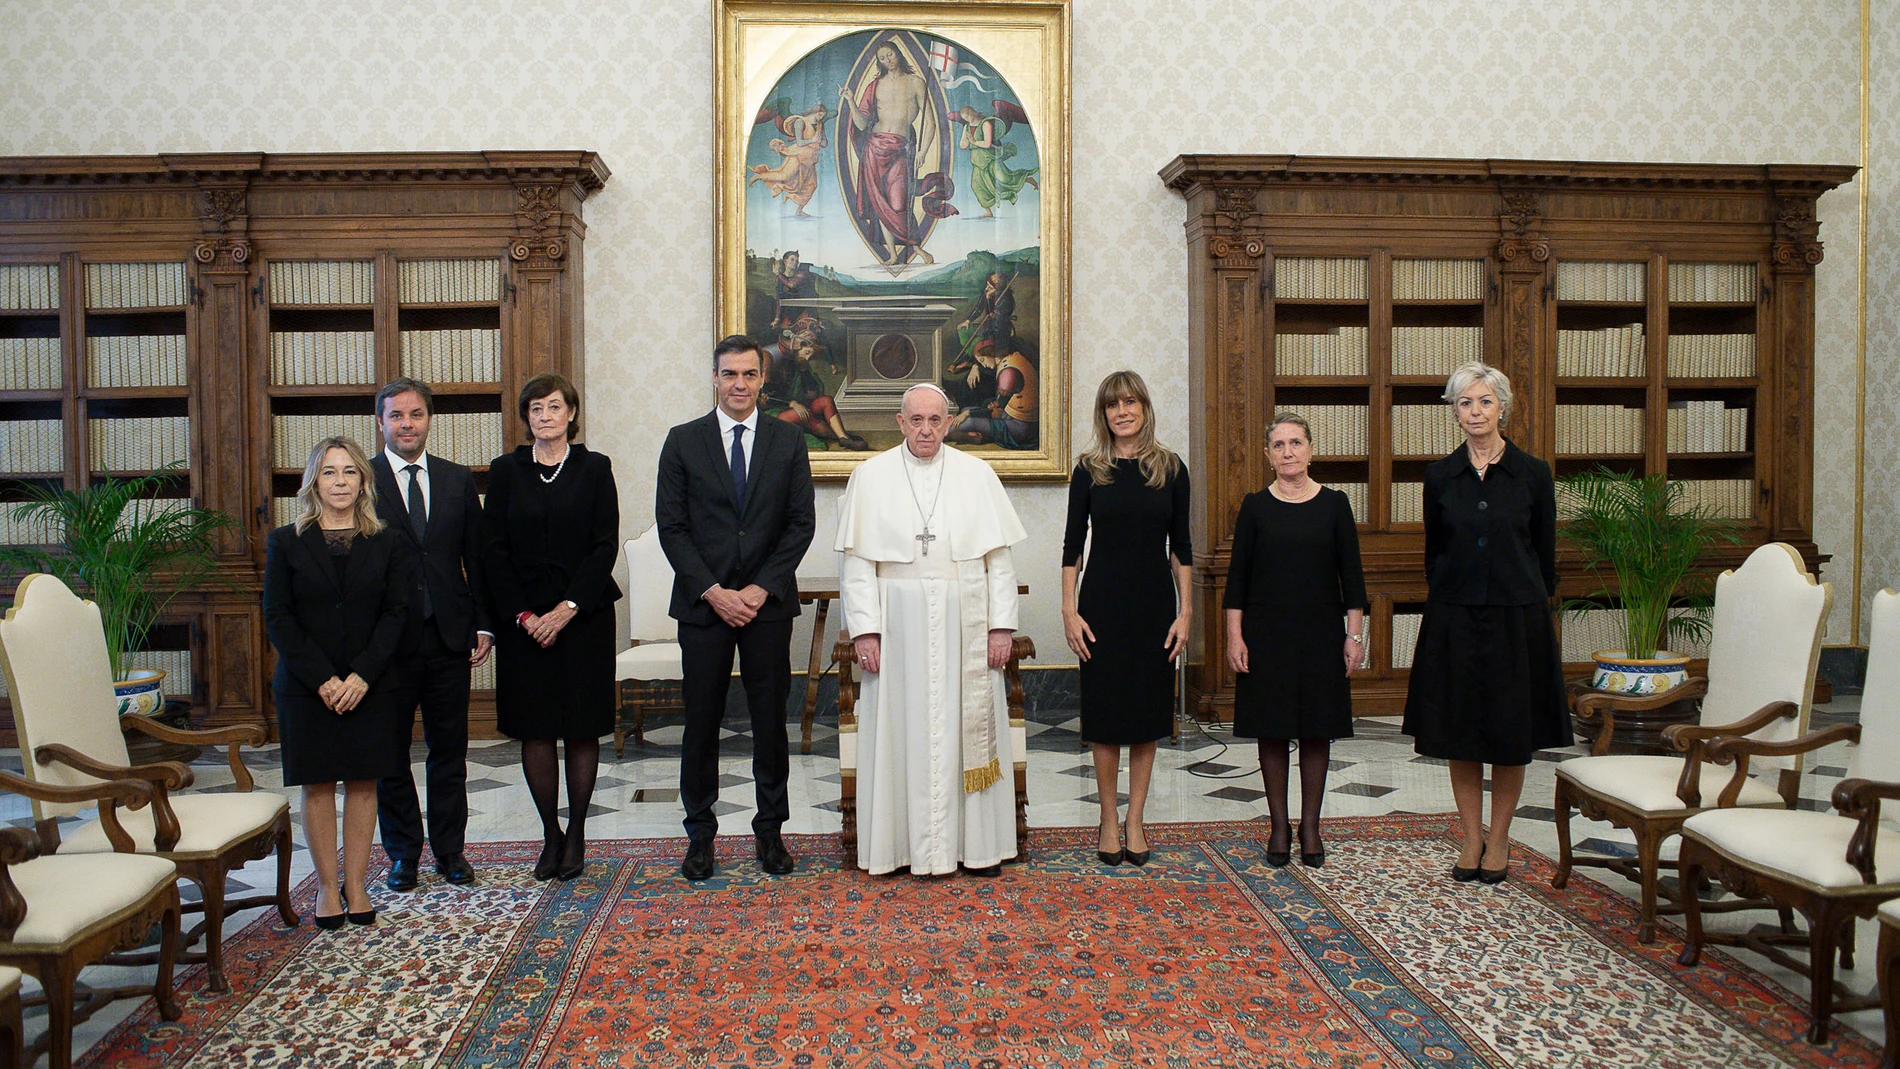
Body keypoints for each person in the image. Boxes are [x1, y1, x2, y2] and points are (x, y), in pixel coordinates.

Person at [835, 383, 1025, 877]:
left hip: (967, 621)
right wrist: (865, 631)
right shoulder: (869, 476)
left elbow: (999, 562)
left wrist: (1000, 627)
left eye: (935, 420)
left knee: (968, 729)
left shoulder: (977, 474)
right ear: (900, 422)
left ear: (948, 422)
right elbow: (857, 565)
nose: (926, 430)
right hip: (896, 628)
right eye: (915, 420)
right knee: (900, 731)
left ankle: (977, 848)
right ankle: (899, 848)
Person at [1402, 361, 1569, 885]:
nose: (1474, 412)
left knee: (1508, 733)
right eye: (1464, 403)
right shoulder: (1439, 476)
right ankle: (1470, 837)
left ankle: (1499, 840)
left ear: (1503, 408)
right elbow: (1435, 551)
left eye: (1484, 402)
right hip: (1454, 615)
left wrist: (1525, 596)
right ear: (1454, 413)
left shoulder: (1533, 473)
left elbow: (1544, 554)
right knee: (1459, 732)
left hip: (1517, 617)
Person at [657, 334, 817, 882]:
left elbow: (801, 525)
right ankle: (700, 835)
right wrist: (715, 591)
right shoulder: (683, 441)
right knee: (701, 722)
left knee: (770, 722)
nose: (740, 384)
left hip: (766, 608)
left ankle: (770, 832)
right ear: (715, 377)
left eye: (750, 374)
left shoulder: (787, 441)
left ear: (763, 380)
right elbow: (672, 529)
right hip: (704, 606)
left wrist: (759, 589)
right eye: (730, 374)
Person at [262, 436, 414, 929]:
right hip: (308, 688)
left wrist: (360, 676)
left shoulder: (387, 540)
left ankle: (356, 884)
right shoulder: (286, 540)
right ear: (313, 482)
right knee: (319, 785)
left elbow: (396, 614)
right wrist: (325, 678)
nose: (341, 481)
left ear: (363, 482)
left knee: (365, 784)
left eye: (350, 471)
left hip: (372, 684)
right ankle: (328, 888)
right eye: (329, 472)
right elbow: (278, 617)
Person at [484, 373, 622, 882]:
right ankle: (550, 834)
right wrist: (525, 616)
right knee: (535, 728)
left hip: (582, 617)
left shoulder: (594, 468)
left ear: (571, 414)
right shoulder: (505, 471)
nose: (545, 416)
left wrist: (566, 609)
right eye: (535, 408)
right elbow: (492, 551)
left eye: (554, 407)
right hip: (524, 623)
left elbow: (604, 545)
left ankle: (579, 831)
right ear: (526, 418)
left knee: (582, 726)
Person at [1223, 412, 1368, 869]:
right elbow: (1236, 581)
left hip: (1322, 634)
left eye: (1296, 443)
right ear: (1268, 456)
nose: (1288, 452)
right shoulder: (1254, 507)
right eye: (1279, 445)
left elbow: (1354, 579)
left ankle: (1311, 826)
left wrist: (1354, 635)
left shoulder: (1335, 504)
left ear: (1310, 449)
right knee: (1272, 727)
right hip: (1266, 635)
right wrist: (1234, 636)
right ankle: (1278, 825)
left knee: (1315, 728)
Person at [1060, 371, 1191, 868]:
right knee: (1107, 717)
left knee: (1145, 718)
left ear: (1144, 407)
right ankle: (1108, 820)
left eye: (1131, 401)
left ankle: (1135, 819)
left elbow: (1182, 547)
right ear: (1104, 414)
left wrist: (1186, 612)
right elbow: (1073, 547)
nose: (1123, 411)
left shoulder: (1170, 468)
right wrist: (1069, 610)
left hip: (1155, 605)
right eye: (1113, 404)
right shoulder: (1089, 470)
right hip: (1101, 606)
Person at [369, 378, 491, 892]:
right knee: (389, 755)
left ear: (429, 419)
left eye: (415, 415)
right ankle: (402, 855)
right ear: (381, 423)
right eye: (396, 416)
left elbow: (477, 557)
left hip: (448, 636)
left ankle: (450, 851)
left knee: (449, 751)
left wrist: (483, 623)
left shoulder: (456, 478)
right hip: (386, 643)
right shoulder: (362, 479)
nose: (406, 425)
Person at [839, 42, 956, 265]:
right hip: (874, 148)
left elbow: (931, 122)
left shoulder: (916, 83)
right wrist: (851, 101)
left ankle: (917, 249)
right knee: (880, 203)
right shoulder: (875, 86)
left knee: (898, 203)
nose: (887, 60)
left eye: (890, 55)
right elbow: (862, 124)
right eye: (882, 58)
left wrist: (923, 150)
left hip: (901, 149)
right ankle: (893, 254)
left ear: (898, 54)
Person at [946, 340, 1038, 449]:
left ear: (990, 353)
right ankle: (976, 436)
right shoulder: (1011, 359)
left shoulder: (1008, 372)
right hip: (1011, 415)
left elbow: (996, 410)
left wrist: (968, 414)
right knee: (965, 410)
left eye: (982, 360)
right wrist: (967, 412)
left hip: (1021, 427)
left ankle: (939, 434)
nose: (983, 364)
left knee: (968, 421)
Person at [957, 104, 1039, 218]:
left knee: (1004, 178)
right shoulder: (966, 127)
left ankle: (1026, 178)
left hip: (989, 158)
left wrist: (974, 141)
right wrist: (965, 140)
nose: (967, 120)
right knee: (976, 186)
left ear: (972, 113)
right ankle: (988, 212)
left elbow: (987, 143)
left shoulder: (985, 124)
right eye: (965, 119)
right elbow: (963, 145)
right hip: (977, 160)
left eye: (967, 117)